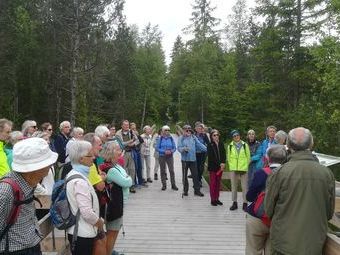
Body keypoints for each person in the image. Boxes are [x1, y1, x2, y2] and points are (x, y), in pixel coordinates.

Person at [265, 127, 335, 255]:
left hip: (283, 243)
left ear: (288, 145)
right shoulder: (327, 174)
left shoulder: (279, 173)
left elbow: (269, 210)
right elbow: (329, 213)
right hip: (314, 244)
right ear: (311, 144)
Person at [0, 137, 58, 254]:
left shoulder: (29, 183)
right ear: (35, 168)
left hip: (32, 246)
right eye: (47, 162)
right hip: (14, 251)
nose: (51, 165)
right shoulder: (6, 190)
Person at [245, 144, 287, 255]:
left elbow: (249, 196)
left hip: (257, 218)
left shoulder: (261, 173)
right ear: (284, 159)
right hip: (278, 220)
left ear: (267, 158)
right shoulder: (288, 175)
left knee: (253, 250)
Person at [65, 140, 104, 255]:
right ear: (81, 159)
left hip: (79, 231)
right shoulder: (79, 181)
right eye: (90, 155)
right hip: (82, 233)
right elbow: (86, 212)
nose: (93, 157)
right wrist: (100, 222)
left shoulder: (74, 173)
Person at [99, 141, 132, 255]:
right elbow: (127, 182)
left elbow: (127, 179)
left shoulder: (115, 166)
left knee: (115, 231)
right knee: (112, 233)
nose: (120, 151)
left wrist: (127, 178)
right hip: (113, 205)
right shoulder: (111, 169)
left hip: (118, 203)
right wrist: (127, 178)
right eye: (118, 149)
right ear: (112, 152)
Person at [177, 124, 206, 197]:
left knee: (195, 175)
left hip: (193, 159)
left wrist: (207, 149)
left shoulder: (193, 137)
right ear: (183, 130)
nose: (188, 131)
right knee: (184, 176)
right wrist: (184, 149)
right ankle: (185, 191)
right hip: (185, 160)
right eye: (186, 130)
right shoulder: (181, 138)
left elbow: (199, 145)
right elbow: (179, 148)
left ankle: (197, 191)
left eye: (189, 130)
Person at [227, 129, 251, 211]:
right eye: (234, 136)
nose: (236, 137)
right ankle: (234, 203)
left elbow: (248, 157)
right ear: (232, 137)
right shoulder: (229, 146)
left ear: (239, 136)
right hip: (233, 169)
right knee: (234, 187)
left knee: (244, 187)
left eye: (237, 135)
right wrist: (232, 166)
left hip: (243, 169)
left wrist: (245, 166)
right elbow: (228, 158)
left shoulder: (245, 145)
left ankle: (245, 203)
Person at [116, 120, 138, 193]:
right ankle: (124, 185)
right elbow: (121, 144)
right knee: (123, 169)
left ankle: (131, 185)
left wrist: (133, 144)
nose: (127, 126)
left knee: (132, 169)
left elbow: (138, 140)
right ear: (122, 126)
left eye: (128, 125)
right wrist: (130, 141)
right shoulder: (118, 133)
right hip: (123, 153)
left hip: (131, 152)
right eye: (125, 125)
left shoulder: (132, 131)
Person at [207, 129, 226, 206]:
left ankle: (217, 198)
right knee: (213, 183)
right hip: (213, 167)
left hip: (220, 167)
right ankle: (213, 199)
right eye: (214, 135)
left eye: (217, 135)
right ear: (211, 136)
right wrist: (220, 164)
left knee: (218, 184)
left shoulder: (221, 144)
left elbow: (224, 154)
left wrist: (223, 163)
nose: (216, 136)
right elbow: (211, 157)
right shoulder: (210, 145)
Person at [156, 125, 178, 191]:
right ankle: (164, 185)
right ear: (162, 131)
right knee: (162, 170)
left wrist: (171, 151)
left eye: (168, 130)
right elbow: (157, 148)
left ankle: (173, 185)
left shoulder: (171, 138)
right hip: (162, 156)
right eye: (165, 130)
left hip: (170, 156)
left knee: (171, 170)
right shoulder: (160, 138)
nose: (167, 131)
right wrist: (164, 151)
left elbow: (174, 147)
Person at [194, 122, 209, 187]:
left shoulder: (204, 135)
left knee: (201, 166)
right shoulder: (193, 135)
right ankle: (197, 180)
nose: (199, 129)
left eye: (200, 128)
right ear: (195, 129)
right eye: (198, 128)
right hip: (196, 153)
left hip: (203, 153)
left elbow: (208, 143)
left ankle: (199, 179)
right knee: (196, 166)